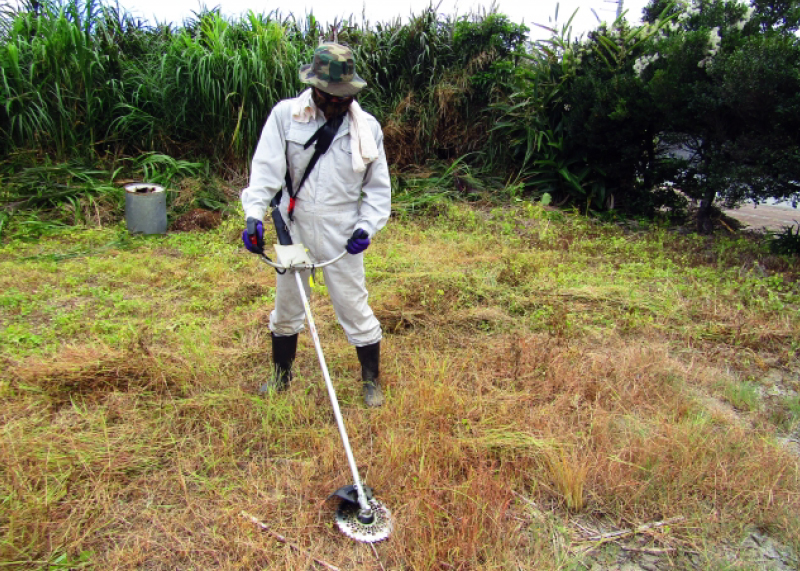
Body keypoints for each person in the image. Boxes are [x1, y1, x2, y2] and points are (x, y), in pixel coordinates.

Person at [240, 43, 391, 407]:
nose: (338, 102)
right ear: (315, 88)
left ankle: (371, 382)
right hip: (295, 225)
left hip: (343, 230)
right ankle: (280, 378)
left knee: (354, 306)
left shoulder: (366, 127)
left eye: (345, 96)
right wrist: (253, 215)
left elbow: (378, 189)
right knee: (288, 305)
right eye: (331, 96)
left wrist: (366, 229)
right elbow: (265, 170)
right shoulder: (285, 116)